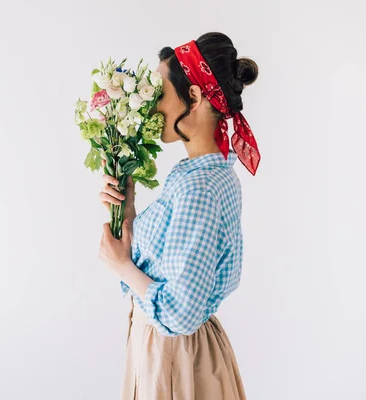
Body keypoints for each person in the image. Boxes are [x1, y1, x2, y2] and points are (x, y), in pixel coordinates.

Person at [98, 32, 261, 400]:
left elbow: (180, 313)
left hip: (174, 361)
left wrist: (121, 265)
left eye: (160, 93)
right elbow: (167, 267)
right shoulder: (200, 173)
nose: (153, 106)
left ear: (194, 97)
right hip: (173, 354)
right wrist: (128, 211)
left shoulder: (199, 187)